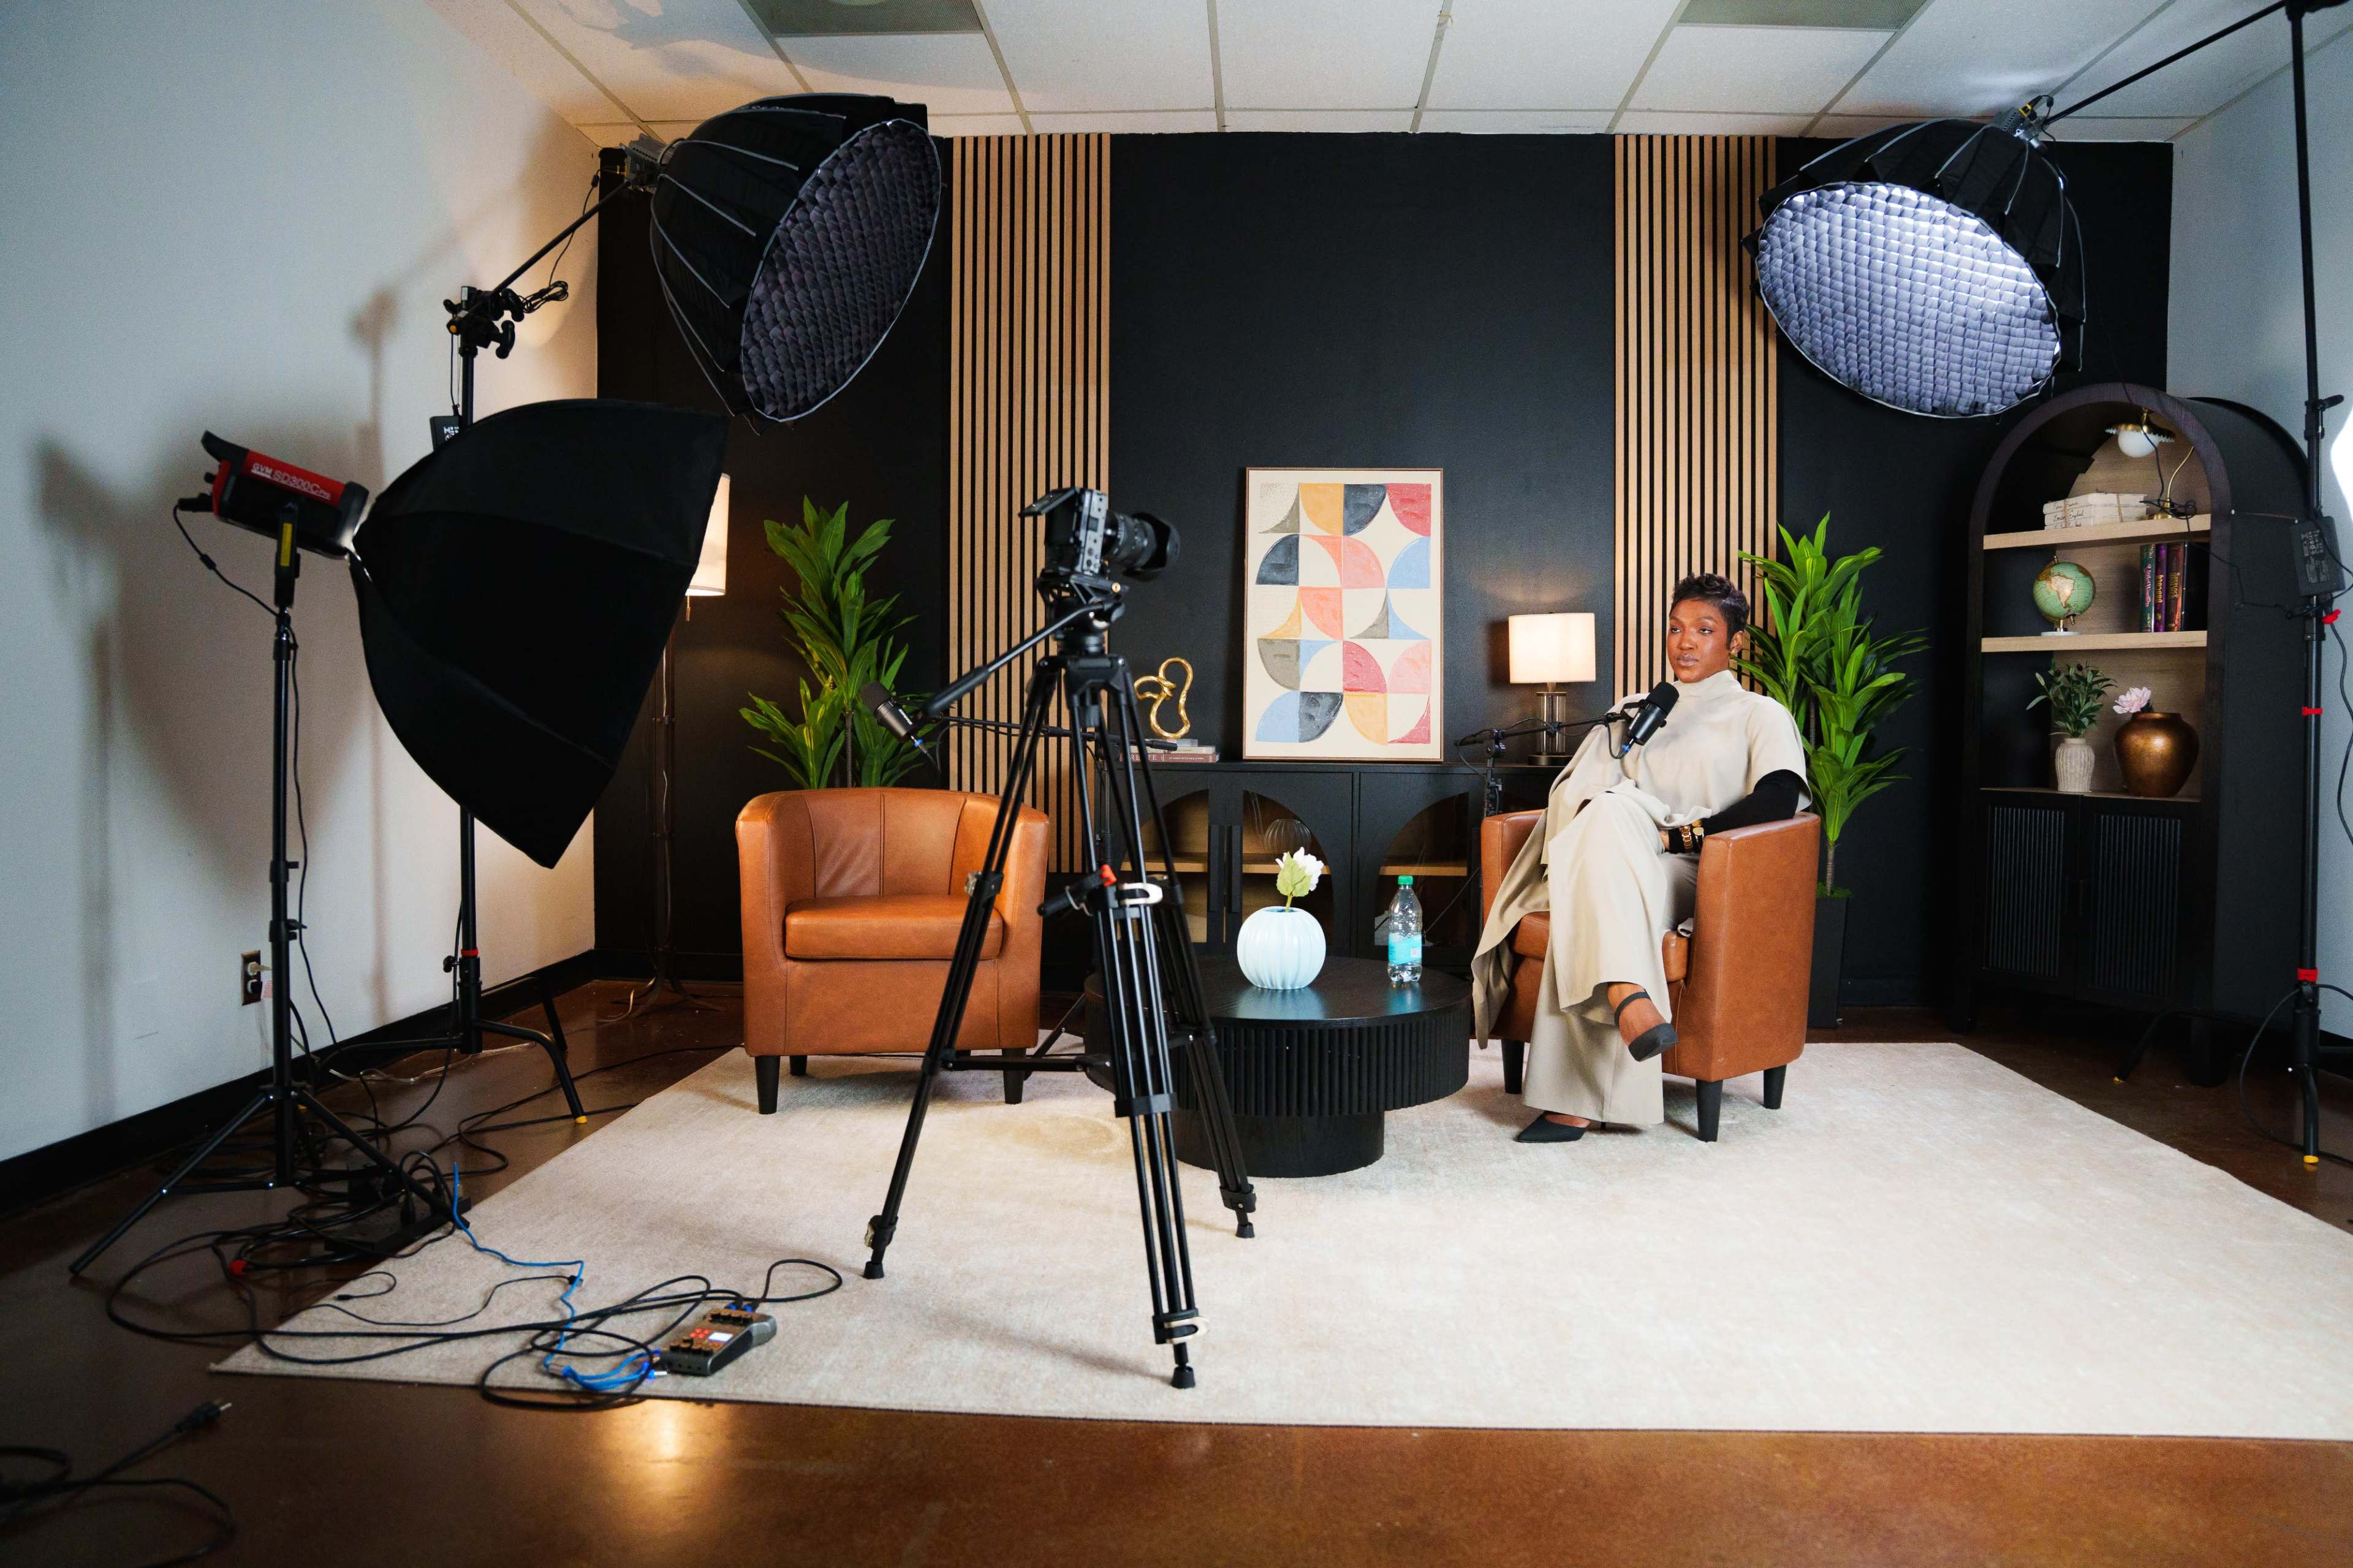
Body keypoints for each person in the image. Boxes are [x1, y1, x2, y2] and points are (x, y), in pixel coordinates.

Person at [1471, 573, 1808, 1143]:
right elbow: (1572, 797)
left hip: (1698, 869)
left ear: (1736, 641)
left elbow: (1778, 798)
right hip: (1613, 856)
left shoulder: (1759, 714)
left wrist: (1683, 836)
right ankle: (1629, 996)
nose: (1685, 642)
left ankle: (1573, 1100)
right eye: (1676, 628)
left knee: (1609, 825)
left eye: (1704, 630)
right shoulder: (1633, 710)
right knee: (1605, 812)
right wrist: (1624, 804)